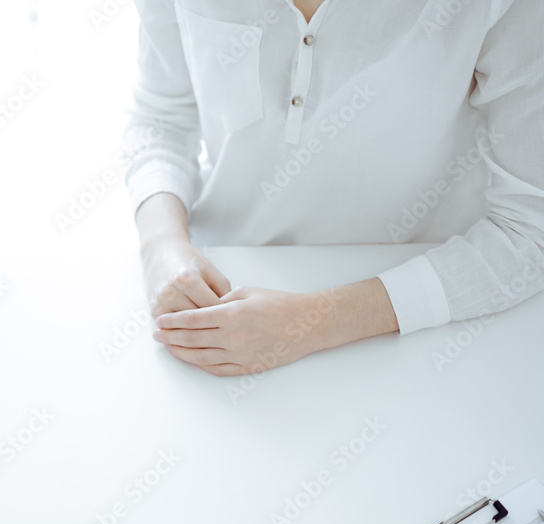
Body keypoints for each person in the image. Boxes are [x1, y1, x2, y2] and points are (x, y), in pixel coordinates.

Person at [127, 0, 544, 376]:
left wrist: (314, 321)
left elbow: (530, 228)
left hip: (422, 315)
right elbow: (162, 118)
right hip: (221, 291)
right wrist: (161, 246)